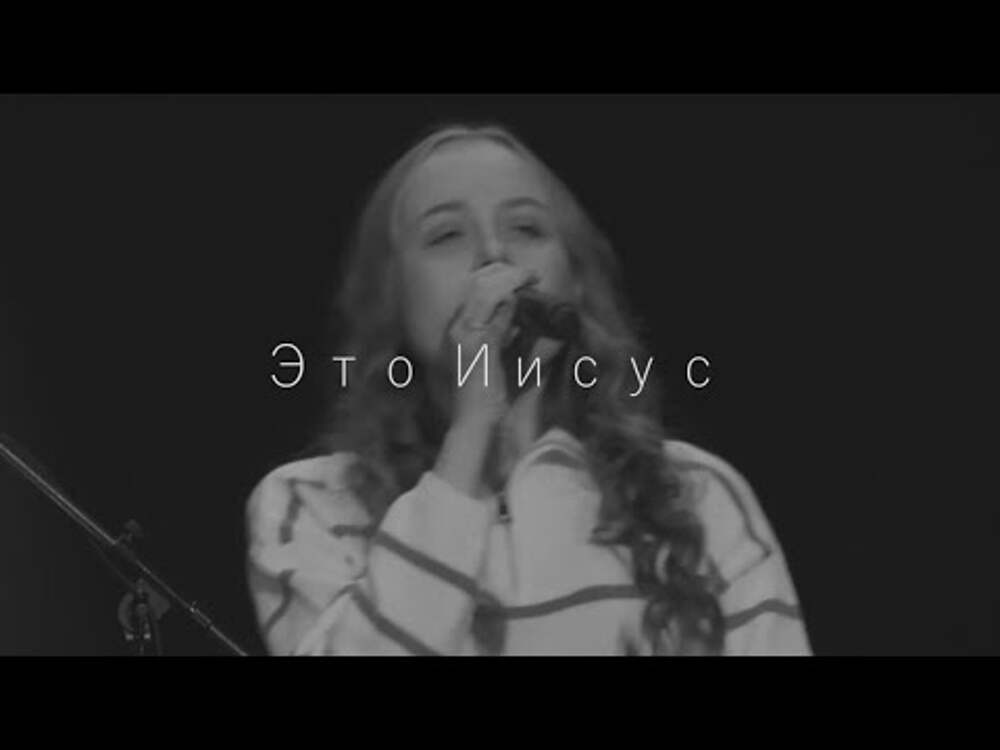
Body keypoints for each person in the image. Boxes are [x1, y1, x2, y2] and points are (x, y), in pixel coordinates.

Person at [244, 123, 811, 656]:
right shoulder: (312, 503)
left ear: (576, 282)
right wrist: (472, 431)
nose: (495, 253)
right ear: (388, 298)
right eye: (446, 235)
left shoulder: (695, 495)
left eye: (527, 228)